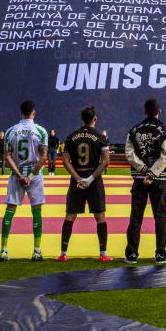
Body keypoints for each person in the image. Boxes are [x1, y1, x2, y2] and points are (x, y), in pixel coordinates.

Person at [58, 105, 111, 262]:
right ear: (95, 119)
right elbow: (106, 161)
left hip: (77, 182)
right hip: (94, 182)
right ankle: (103, 254)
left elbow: (65, 161)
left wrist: (77, 178)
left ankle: (63, 253)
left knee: (70, 216)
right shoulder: (101, 137)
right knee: (100, 216)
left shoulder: (71, 137)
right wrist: (91, 179)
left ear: (82, 119)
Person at [124, 98, 166, 264]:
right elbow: (165, 157)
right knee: (160, 217)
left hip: (139, 179)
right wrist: (152, 174)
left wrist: (144, 170)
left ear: (145, 111)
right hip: (158, 180)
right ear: (159, 111)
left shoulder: (134, 130)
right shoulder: (165, 131)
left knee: (136, 217)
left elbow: (130, 154)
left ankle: (131, 254)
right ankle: (160, 254)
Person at [0, 100, 48, 262]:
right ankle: (37, 251)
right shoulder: (40, 131)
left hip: (16, 175)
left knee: (10, 210)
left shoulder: (10, 131)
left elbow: (7, 156)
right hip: (35, 176)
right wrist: (31, 176)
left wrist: (20, 175)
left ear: (21, 113)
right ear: (33, 112)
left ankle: (3, 250)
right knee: (36, 211)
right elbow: (43, 157)